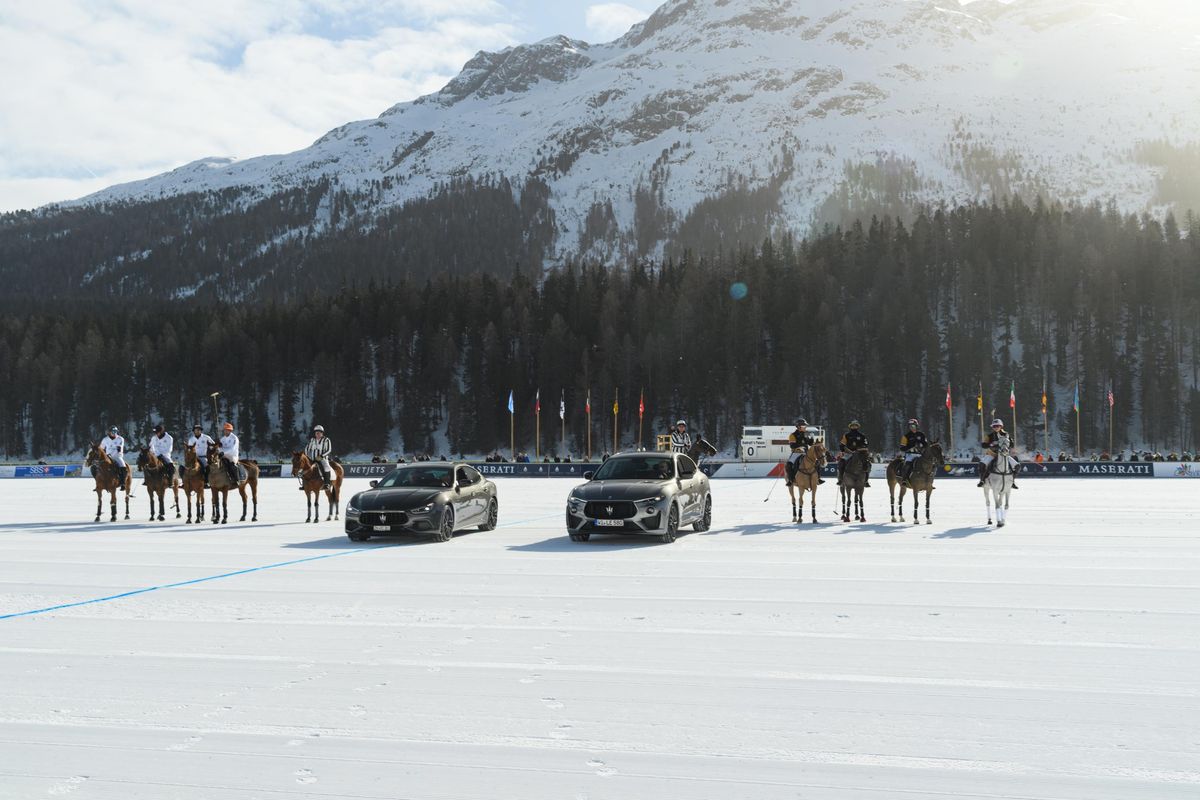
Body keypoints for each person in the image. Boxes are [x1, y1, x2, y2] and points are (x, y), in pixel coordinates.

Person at [978, 419, 1020, 488]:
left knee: (1017, 466)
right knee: (982, 464)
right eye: (994, 426)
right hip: (992, 454)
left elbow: (1012, 444)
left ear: (1001, 426)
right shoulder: (989, 436)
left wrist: (1008, 444)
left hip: (1004, 455)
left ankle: (1012, 481)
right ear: (992, 427)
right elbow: (983, 445)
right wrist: (990, 444)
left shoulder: (1006, 434)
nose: (996, 427)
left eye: (998, 426)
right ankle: (982, 480)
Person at [787, 418, 824, 485]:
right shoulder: (792, 435)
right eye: (804, 426)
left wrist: (812, 438)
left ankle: (818, 478)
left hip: (805, 453)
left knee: (817, 462)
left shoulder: (805, 434)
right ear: (798, 427)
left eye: (805, 426)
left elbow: (810, 443)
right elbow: (792, 446)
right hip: (796, 453)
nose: (805, 427)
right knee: (789, 464)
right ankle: (790, 480)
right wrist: (800, 446)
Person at [837, 420, 870, 487]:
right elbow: (842, 444)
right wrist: (843, 450)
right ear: (850, 427)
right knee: (841, 463)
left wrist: (860, 449)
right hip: (849, 453)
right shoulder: (846, 435)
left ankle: (866, 481)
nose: (854, 426)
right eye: (853, 425)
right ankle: (841, 480)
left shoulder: (862, 435)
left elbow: (866, 444)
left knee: (867, 464)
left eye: (855, 425)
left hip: (860, 453)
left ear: (858, 426)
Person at [302, 425, 333, 490]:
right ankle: (304, 484)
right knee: (304, 468)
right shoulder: (312, 440)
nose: (317, 434)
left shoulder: (326, 440)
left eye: (319, 432)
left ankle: (327, 483)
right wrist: (307, 456)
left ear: (322, 433)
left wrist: (321, 456)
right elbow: (307, 449)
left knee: (326, 467)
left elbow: (329, 450)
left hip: (322, 458)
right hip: (312, 459)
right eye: (316, 432)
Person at [898, 418, 927, 486]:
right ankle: (904, 480)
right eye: (910, 426)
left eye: (913, 426)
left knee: (928, 465)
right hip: (910, 455)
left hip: (920, 454)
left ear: (917, 426)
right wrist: (910, 448)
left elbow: (926, 445)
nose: (912, 428)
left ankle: (929, 481)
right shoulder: (906, 436)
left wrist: (922, 447)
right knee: (907, 465)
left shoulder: (921, 435)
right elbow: (902, 448)